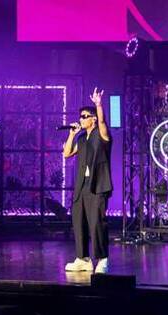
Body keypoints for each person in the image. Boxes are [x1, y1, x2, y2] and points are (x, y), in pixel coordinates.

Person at [63, 88, 113, 273]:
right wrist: (71, 134)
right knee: (79, 221)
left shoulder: (102, 135)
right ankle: (83, 258)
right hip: (82, 186)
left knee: (97, 222)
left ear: (93, 119)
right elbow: (67, 153)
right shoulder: (82, 138)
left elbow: (102, 121)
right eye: (81, 117)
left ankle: (102, 259)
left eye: (85, 116)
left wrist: (98, 105)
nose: (81, 119)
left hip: (98, 185)